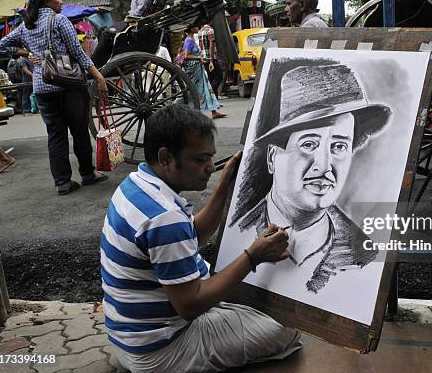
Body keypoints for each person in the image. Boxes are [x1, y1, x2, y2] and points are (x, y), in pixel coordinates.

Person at [102, 105, 301, 372]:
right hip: (162, 349)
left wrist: (224, 189)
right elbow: (190, 305)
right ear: (165, 157)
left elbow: (191, 237)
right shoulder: (164, 218)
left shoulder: (137, 185)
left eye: (212, 157)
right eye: (200, 159)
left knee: (237, 296)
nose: (210, 167)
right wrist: (253, 256)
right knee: (288, 327)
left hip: (129, 338)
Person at [231, 64, 392, 293]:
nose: (325, 166)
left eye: (338, 146)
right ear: (272, 158)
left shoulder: (363, 255)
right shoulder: (237, 230)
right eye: (308, 144)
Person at [0, 0, 108, 195]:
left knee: (55, 136)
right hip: (69, 85)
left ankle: (62, 182)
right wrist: (98, 75)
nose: (61, 1)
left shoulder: (26, 25)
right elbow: (78, 52)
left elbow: (1, 46)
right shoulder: (59, 20)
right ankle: (87, 174)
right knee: (79, 131)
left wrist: (27, 54)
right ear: (48, 0)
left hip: (42, 86)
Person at [182, 25, 227, 119]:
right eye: (195, 27)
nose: (197, 28)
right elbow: (186, 55)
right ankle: (190, 110)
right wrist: (200, 58)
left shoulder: (191, 38)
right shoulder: (189, 40)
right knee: (195, 90)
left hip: (198, 68)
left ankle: (214, 111)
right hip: (194, 69)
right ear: (191, 29)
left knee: (206, 89)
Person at [198, 23, 224, 99]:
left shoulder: (200, 31)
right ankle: (209, 92)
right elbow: (211, 46)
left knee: (211, 78)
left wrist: (202, 57)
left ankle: (215, 101)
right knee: (219, 77)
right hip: (211, 58)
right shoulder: (210, 30)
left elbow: (200, 46)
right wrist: (211, 61)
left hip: (204, 57)